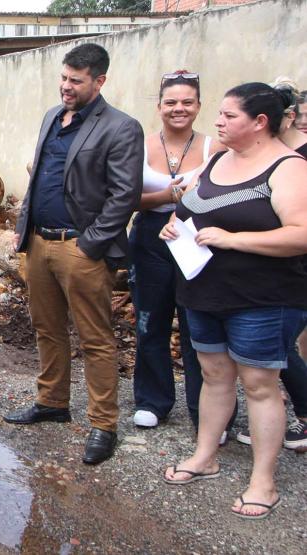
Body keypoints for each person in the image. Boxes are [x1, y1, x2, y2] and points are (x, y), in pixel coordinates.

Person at [159, 83, 307, 519]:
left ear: (259, 122)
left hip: (262, 298)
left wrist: (234, 240)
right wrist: (174, 224)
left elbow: (300, 234)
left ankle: (264, 481)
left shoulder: (289, 168)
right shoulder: (220, 159)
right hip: (204, 291)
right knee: (213, 374)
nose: (218, 122)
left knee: (261, 386)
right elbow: (192, 207)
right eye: (219, 115)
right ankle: (206, 455)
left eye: (228, 116)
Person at [4, 44, 144, 466]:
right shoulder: (52, 116)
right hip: (39, 243)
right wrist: (23, 226)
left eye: (76, 81)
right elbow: (39, 177)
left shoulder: (121, 127)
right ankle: (52, 402)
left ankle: (104, 424)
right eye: (64, 78)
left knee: (96, 340)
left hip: (80, 248)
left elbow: (125, 195)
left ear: (99, 81)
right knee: (47, 329)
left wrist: (91, 243)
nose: (66, 87)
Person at [129, 71, 225, 432]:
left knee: (197, 325)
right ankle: (153, 400)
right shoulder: (140, 145)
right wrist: (169, 196)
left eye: (187, 102)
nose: (178, 109)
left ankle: (206, 410)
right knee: (149, 321)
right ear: (159, 107)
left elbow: (223, 197)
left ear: (199, 106)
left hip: (197, 238)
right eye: (171, 102)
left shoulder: (213, 147)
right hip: (150, 236)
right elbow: (129, 200)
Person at [233, 78, 307, 451]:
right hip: (263, 278)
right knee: (280, 353)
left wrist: (231, 239)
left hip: (287, 275)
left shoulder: (294, 163)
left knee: (276, 355)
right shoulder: (244, 160)